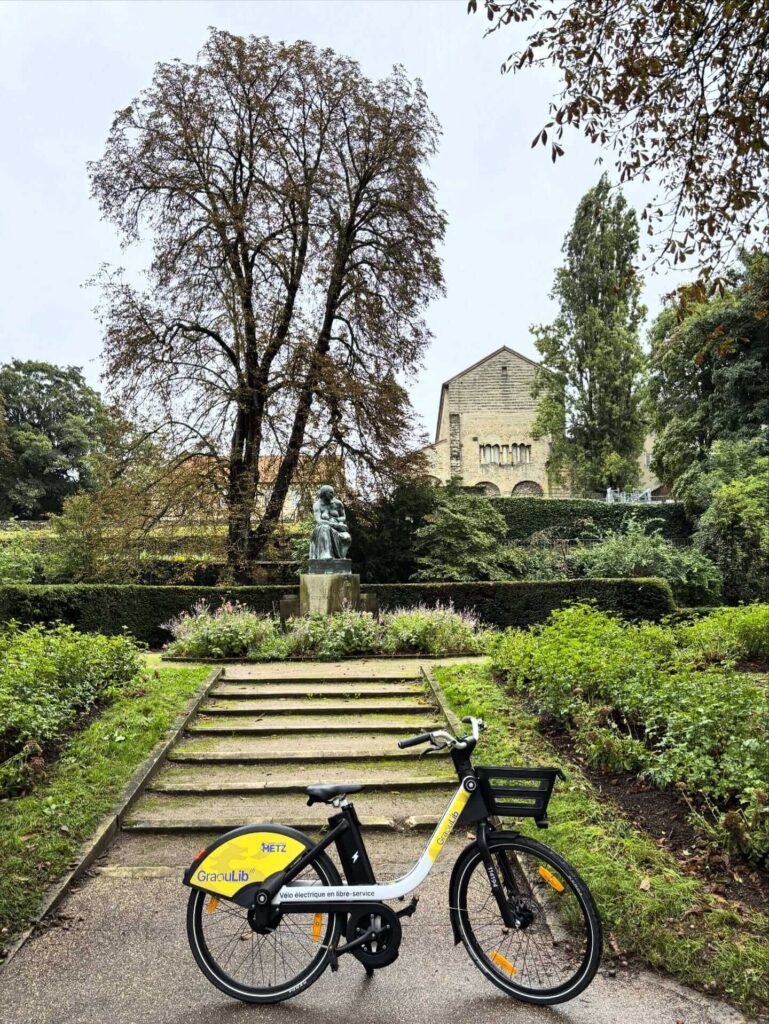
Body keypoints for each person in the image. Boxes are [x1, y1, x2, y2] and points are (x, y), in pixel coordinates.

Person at [309, 485, 351, 560]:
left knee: (347, 537)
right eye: (331, 493)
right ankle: (325, 554)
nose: (333, 495)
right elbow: (319, 521)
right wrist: (334, 525)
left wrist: (338, 522)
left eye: (333, 493)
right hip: (322, 528)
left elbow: (343, 517)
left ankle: (340, 559)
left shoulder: (338, 503)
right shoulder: (317, 505)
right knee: (325, 528)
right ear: (324, 493)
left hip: (337, 528)